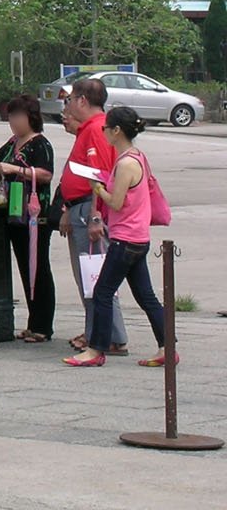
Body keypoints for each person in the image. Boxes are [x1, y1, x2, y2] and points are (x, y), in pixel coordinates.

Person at [66, 107, 171, 368]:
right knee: (146, 297)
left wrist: (98, 189)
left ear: (116, 131)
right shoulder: (138, 157)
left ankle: (95, 350)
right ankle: (167, 346)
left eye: (106, 128)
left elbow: (116, 202)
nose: (103, 132)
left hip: (125, 239)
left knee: (102, 292)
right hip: (138, 237)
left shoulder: (126, 163)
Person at [0, 94, 56, 342]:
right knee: (24, 266)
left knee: (38, 266)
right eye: (10, 116)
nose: (13, 121)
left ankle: (43, 325)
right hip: (13, 212)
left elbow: (46, 175)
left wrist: (17, 170)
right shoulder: (13, 142)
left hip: (34, 214)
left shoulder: (40, 144)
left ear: (30, 117)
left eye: (17, 116)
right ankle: (33, 322)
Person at [57, 77, 128, 355]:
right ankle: (97, 331)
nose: (68, 105)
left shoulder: (96, 130)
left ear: (82, 101)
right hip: (81, 206)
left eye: (71, 100)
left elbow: (99, 175)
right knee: (90, 276)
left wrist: (96, 215)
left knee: (94, 276)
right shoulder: (89, 129)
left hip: (89, 208)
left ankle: (108, 335)